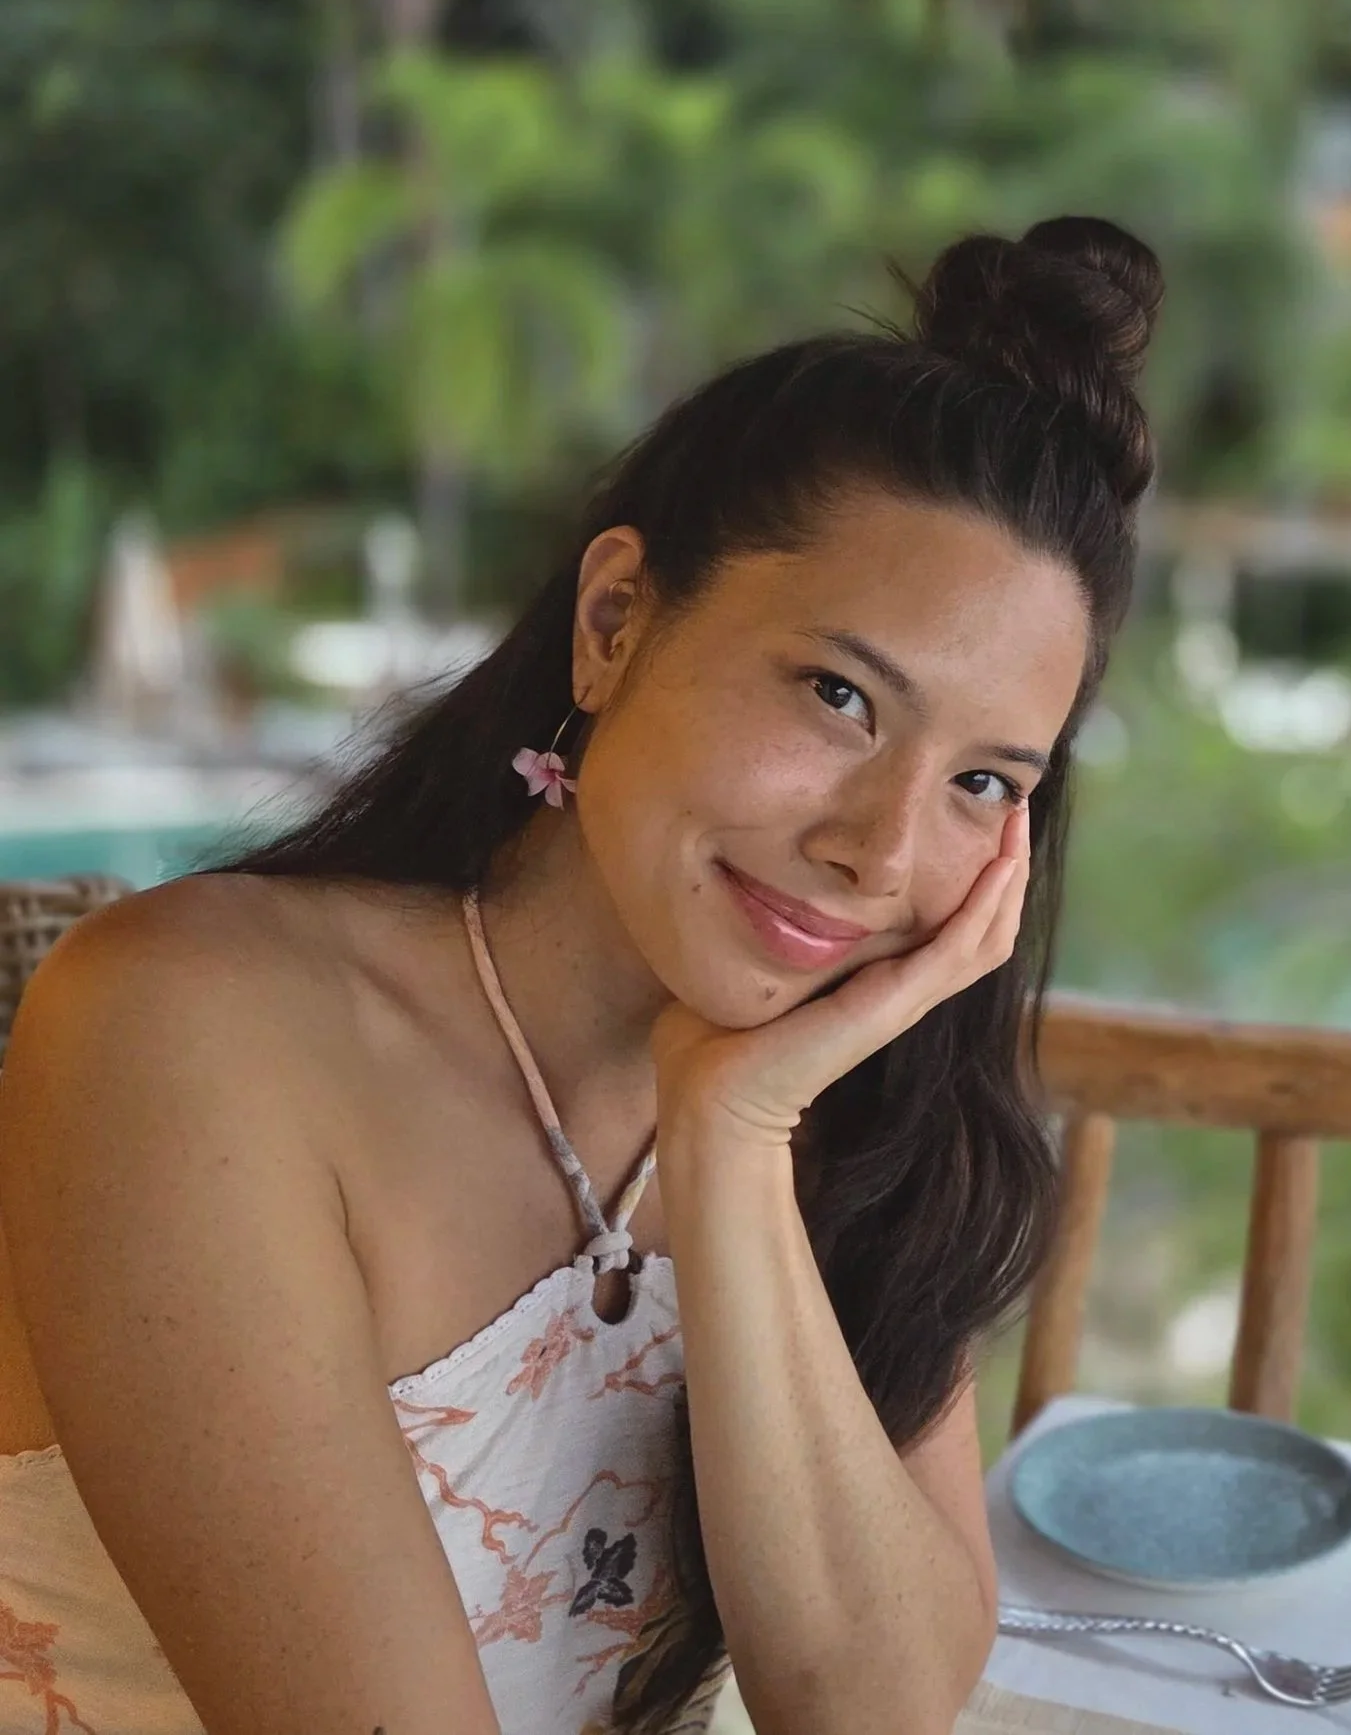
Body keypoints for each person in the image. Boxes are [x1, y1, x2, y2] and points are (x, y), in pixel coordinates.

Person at [0, 216, 1163, 1735]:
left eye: (986, 783)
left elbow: (877, 1707)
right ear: (615, 620)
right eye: (839, 694)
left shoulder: (833, 1100)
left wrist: (736, 1144)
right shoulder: (194, 1028)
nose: (882, 848)